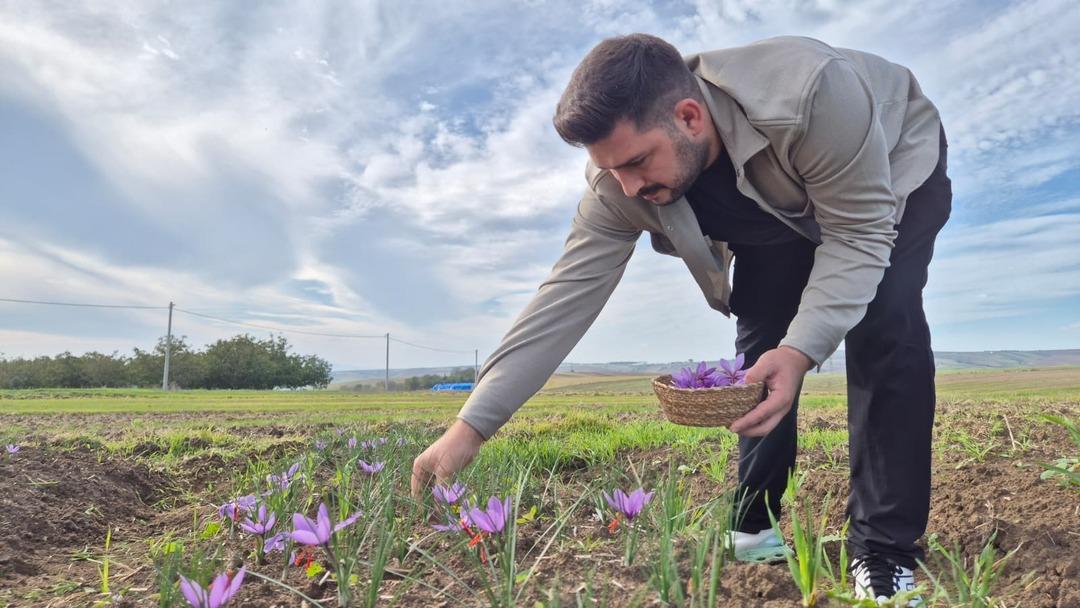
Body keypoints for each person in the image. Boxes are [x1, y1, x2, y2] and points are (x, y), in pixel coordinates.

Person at [411, 34, 950, 605]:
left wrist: (800, 352)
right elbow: (564, 296)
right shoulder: (618, 185)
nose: (629, 187)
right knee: (759, 340)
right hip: (776, 206)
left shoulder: (811, 95)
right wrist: (470, 428)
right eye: (611, 169)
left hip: (888, 170)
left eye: (637, 161)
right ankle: (754, 524)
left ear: (690, 117)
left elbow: (859, 235)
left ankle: (883, 551)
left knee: (884, 322)